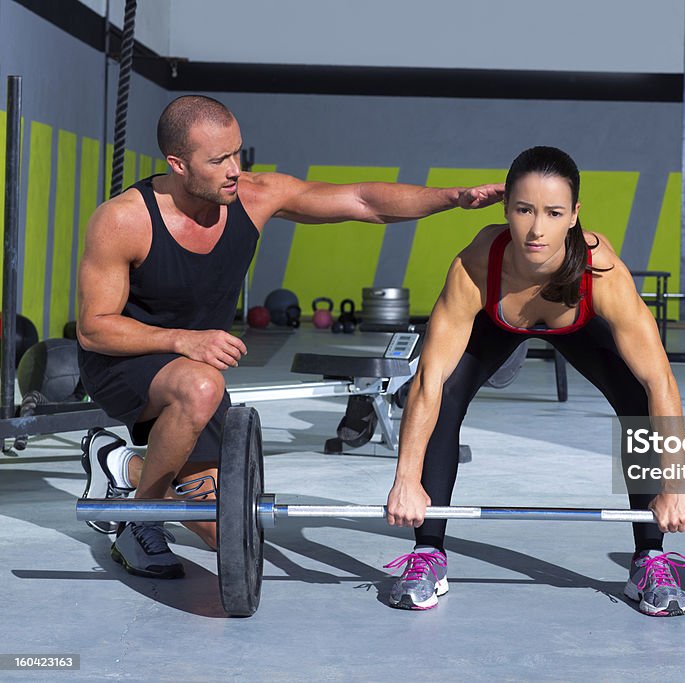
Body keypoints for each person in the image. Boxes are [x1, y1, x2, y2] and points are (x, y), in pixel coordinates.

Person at [77, 94, 504, 580]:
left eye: (238, 152)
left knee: (234, 535)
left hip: (196, 370)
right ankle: (140, 517)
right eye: (218, 160)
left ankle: (122, 467)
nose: (234, 169)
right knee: (202, 387)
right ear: (177, 163)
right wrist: (182, 340)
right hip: (124, 362)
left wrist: (452, 198)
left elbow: (361, 200)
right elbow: (94, 329)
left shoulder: (254, 196)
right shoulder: (123, 219)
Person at [384, 146, 685, 616]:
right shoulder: (474, 265)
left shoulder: (602, 270)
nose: (536, 229)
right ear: (506, 207)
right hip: (496, 322)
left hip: (578, 323)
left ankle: (650, 557)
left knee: (636, 398)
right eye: (525, 210)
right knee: (445, 396)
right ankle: (428, 554)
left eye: (553, 213)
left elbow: (661, 381)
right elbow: (427, 380)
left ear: (574, 216)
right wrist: (405, 481)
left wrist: (674, 486)